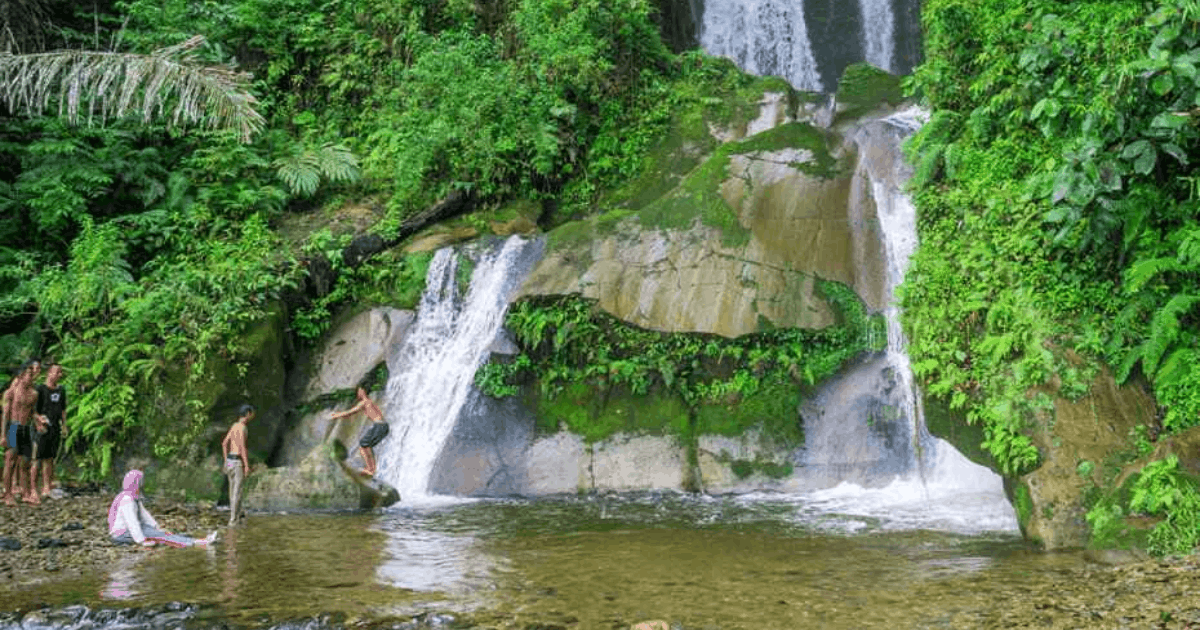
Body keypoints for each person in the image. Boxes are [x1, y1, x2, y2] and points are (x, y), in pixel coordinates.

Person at [108, 469, 216, 548]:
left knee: (162, 533)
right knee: (161, 537)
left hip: (130, 530)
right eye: (140, 482)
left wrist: (156, 527)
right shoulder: (127, 500)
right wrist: (141, 541)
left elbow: (145, 515)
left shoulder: (133, 497)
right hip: (121, 534)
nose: (142, 485)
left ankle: (194, 540)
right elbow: (132, 522)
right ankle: (197, 543)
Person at [1, 360, 40, 506]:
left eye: (32, 375)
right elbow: (5, 413)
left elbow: (32, 413)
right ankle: (8, 493)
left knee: (25, 462)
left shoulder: (34, 394)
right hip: (12, 426)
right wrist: (3, 435)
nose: (32, 377)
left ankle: (25, 493)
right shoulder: (12, 391)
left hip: (25, 428)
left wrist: (38, 421)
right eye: (29, 374)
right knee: (10, 460)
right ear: (22, 375)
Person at [329, 386, 388, 477]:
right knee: (367, 445)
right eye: (359, 392)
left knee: (363, 445)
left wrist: (336, 415)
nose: (360, 393)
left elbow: (350, 412)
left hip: (379, 425)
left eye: (361, 391)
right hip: (384, 426)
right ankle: (372, 469)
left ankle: (370, 469)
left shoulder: (364, 402)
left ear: (364, 392)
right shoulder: (370, 401)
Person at [32, 362, 67, 498]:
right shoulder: (40, 389)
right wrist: (38, 421)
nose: (60, 374)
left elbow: (63, 410)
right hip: (41, 428)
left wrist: (64, 425)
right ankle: (33, 488)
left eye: (61, 372)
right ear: (49, 373)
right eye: (57, 371)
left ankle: (47, 485)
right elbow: (33, 410)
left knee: (50, 458)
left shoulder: (61, 390)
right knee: (37, 458)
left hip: (54, 427)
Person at [220, 404, 254, 527]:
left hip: (229, 459)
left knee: (231, 491)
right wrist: (246, 465)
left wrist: (225, 461)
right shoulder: (243, 428)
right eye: (252, 413)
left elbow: (224, 443)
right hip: (237, 461)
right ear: (248, 413)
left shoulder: (234, 426)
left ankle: (235, 516)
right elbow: (241, 447)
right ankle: (233, 520)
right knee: (237, 492)